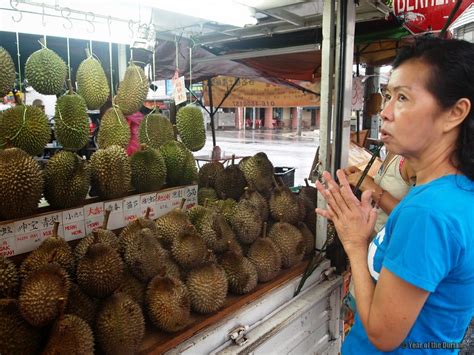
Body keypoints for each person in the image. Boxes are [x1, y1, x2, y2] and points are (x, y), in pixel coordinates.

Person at [315, 37, 474, 354]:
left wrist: (356, 244)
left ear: (455, 113)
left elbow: (383, 335)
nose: (385, 112)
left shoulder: (429, 212)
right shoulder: (457, 193)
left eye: (402, 98)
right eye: (388, 96)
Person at [345, 152, 416, 234]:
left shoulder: (411, 161)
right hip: (372, 230)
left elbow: (413, 220)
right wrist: (362, 179)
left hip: (387, 239)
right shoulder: (393, 150)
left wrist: (371, 187)